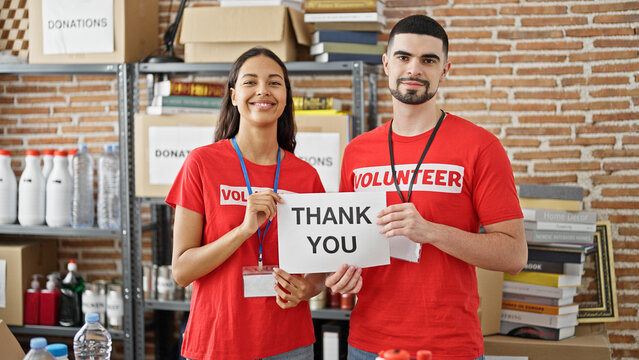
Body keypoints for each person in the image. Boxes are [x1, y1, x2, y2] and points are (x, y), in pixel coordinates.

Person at [326, 15, 527, 360]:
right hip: (367, 344)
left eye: (428, 60)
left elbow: (514, 256)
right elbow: (349, 246)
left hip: (450, 346)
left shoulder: (480, 146)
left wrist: (430, 231)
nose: (414, 69)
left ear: (445, 70)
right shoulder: (356, 151)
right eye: (404, 57)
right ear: (387, 64)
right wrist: (342, 273)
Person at [166, 47, 326, 360]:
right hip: (218, 341)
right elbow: (182, 271)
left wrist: (310, 289)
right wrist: (243, 229)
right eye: (250, 82)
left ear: (285, 97)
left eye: (274, 83)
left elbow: (319, 266)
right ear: (234, 96)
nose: (263, 90)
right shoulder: (201, 164)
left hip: (289, 344)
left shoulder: (306, 176)